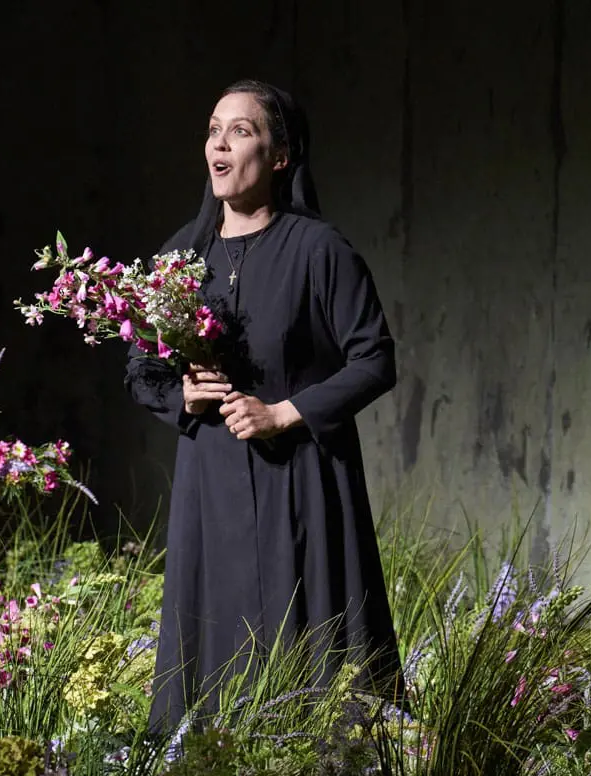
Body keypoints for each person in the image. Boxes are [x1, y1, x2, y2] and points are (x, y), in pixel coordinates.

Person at [125, 79, 401, 731]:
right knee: (214, 650)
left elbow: (375, 358)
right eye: (213, 129)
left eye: (241, 130)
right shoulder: (178, 260)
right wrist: (184, 396)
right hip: (212, 487)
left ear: (280, 156)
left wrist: (285, 413)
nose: (219, 143)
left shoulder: (320, 251)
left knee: (307, 651)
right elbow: (140, 370)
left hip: (300, 481)